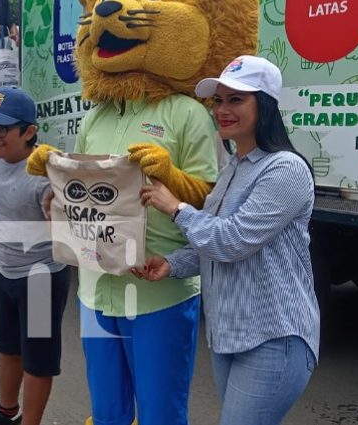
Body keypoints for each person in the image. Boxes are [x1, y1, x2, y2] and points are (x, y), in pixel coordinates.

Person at [134, 55, 320, 425]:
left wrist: (176, 208)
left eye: (236, 100)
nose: (222, 109)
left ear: (264, 105)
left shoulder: (286, 170)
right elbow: (211, 245)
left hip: (273, 337)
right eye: (219, 100)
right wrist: (172, 264)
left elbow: (230, 241)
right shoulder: (232, 168)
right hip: (227, 335)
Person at [0, 87, 70, 425]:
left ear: (29, 131)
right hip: (6, 268)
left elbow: (69, 232)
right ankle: (6, 411)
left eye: (1, 129)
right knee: (8, 347)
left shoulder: (45, 176)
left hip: (40, 277)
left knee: (37, 360)